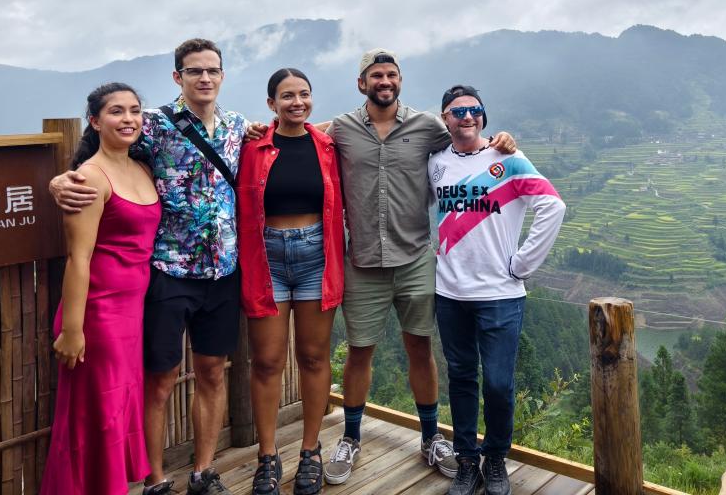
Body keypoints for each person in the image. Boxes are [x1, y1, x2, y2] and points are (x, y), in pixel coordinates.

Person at [49, 39, 248, 495]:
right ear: (178, 77)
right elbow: (103, 154)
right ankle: (154, 478)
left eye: (212, 70)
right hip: (167, 272)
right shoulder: (153, 125)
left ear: (222, 75)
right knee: (158, 379)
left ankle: (202, 472)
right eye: (194, 71)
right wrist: (59, 180)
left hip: (223, 270)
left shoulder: (239, 126)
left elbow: (292, 130)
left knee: (213, 371)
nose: (204, 78)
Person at [320, 50, 517, 486]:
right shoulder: (343, 128)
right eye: (376, 75)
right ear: (362, 83)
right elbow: (299, 133)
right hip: (363, 261)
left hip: (415, 259)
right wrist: (263, 128)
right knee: (359, 351)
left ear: (400, 80)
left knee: (420, 348)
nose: (384, 81)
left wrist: (500, 140)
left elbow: (467, 139)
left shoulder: (427, 126)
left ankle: (431, 437)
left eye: (391, 74)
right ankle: (351, 437)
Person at [430, 85, 565, 495]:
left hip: (500, 295)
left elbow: (553, 205)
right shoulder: (436, 162)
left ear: (484, 116)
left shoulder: (508, 158)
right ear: (445, 119)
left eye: (474, 109)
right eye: (457, 112)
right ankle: (466, 459)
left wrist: (522, 264)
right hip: (449, 292)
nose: (467, 117)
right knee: (461, 378)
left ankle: (495, 458)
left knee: (498, 384)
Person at [41, 83, 161, 494]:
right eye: (116, 111)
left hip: (131, 312)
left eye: (135, 110)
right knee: (101, 414)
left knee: (116, 408)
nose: (128, 119)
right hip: (98, 312)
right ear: (94, 121)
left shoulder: (142, 167)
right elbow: (78, 258)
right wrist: (72, 330)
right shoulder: (90, 177)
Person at [236, 68, 345, 495]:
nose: (297, 102)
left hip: (317, 255)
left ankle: (310, 450)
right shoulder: (252, 147)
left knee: (314, 357)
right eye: (287, 96)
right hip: (267, 257)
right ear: (271, 104)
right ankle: (267, 455)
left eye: (304, 94)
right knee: (266, 361)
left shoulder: (329, 146)